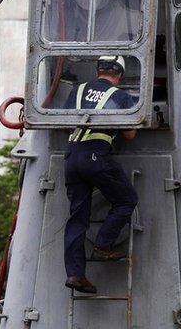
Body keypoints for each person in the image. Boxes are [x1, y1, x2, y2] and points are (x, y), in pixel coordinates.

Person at [62, 56, 139, 294]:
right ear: (120, 76)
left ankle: (75, 274)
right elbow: (129, 135)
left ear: (98, 70)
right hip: (96, 156)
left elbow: (65, 123)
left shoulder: (77, 90)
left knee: (77, 218)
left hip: (72, 156)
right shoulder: (121, 96)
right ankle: (103, 246)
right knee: (126, 200)